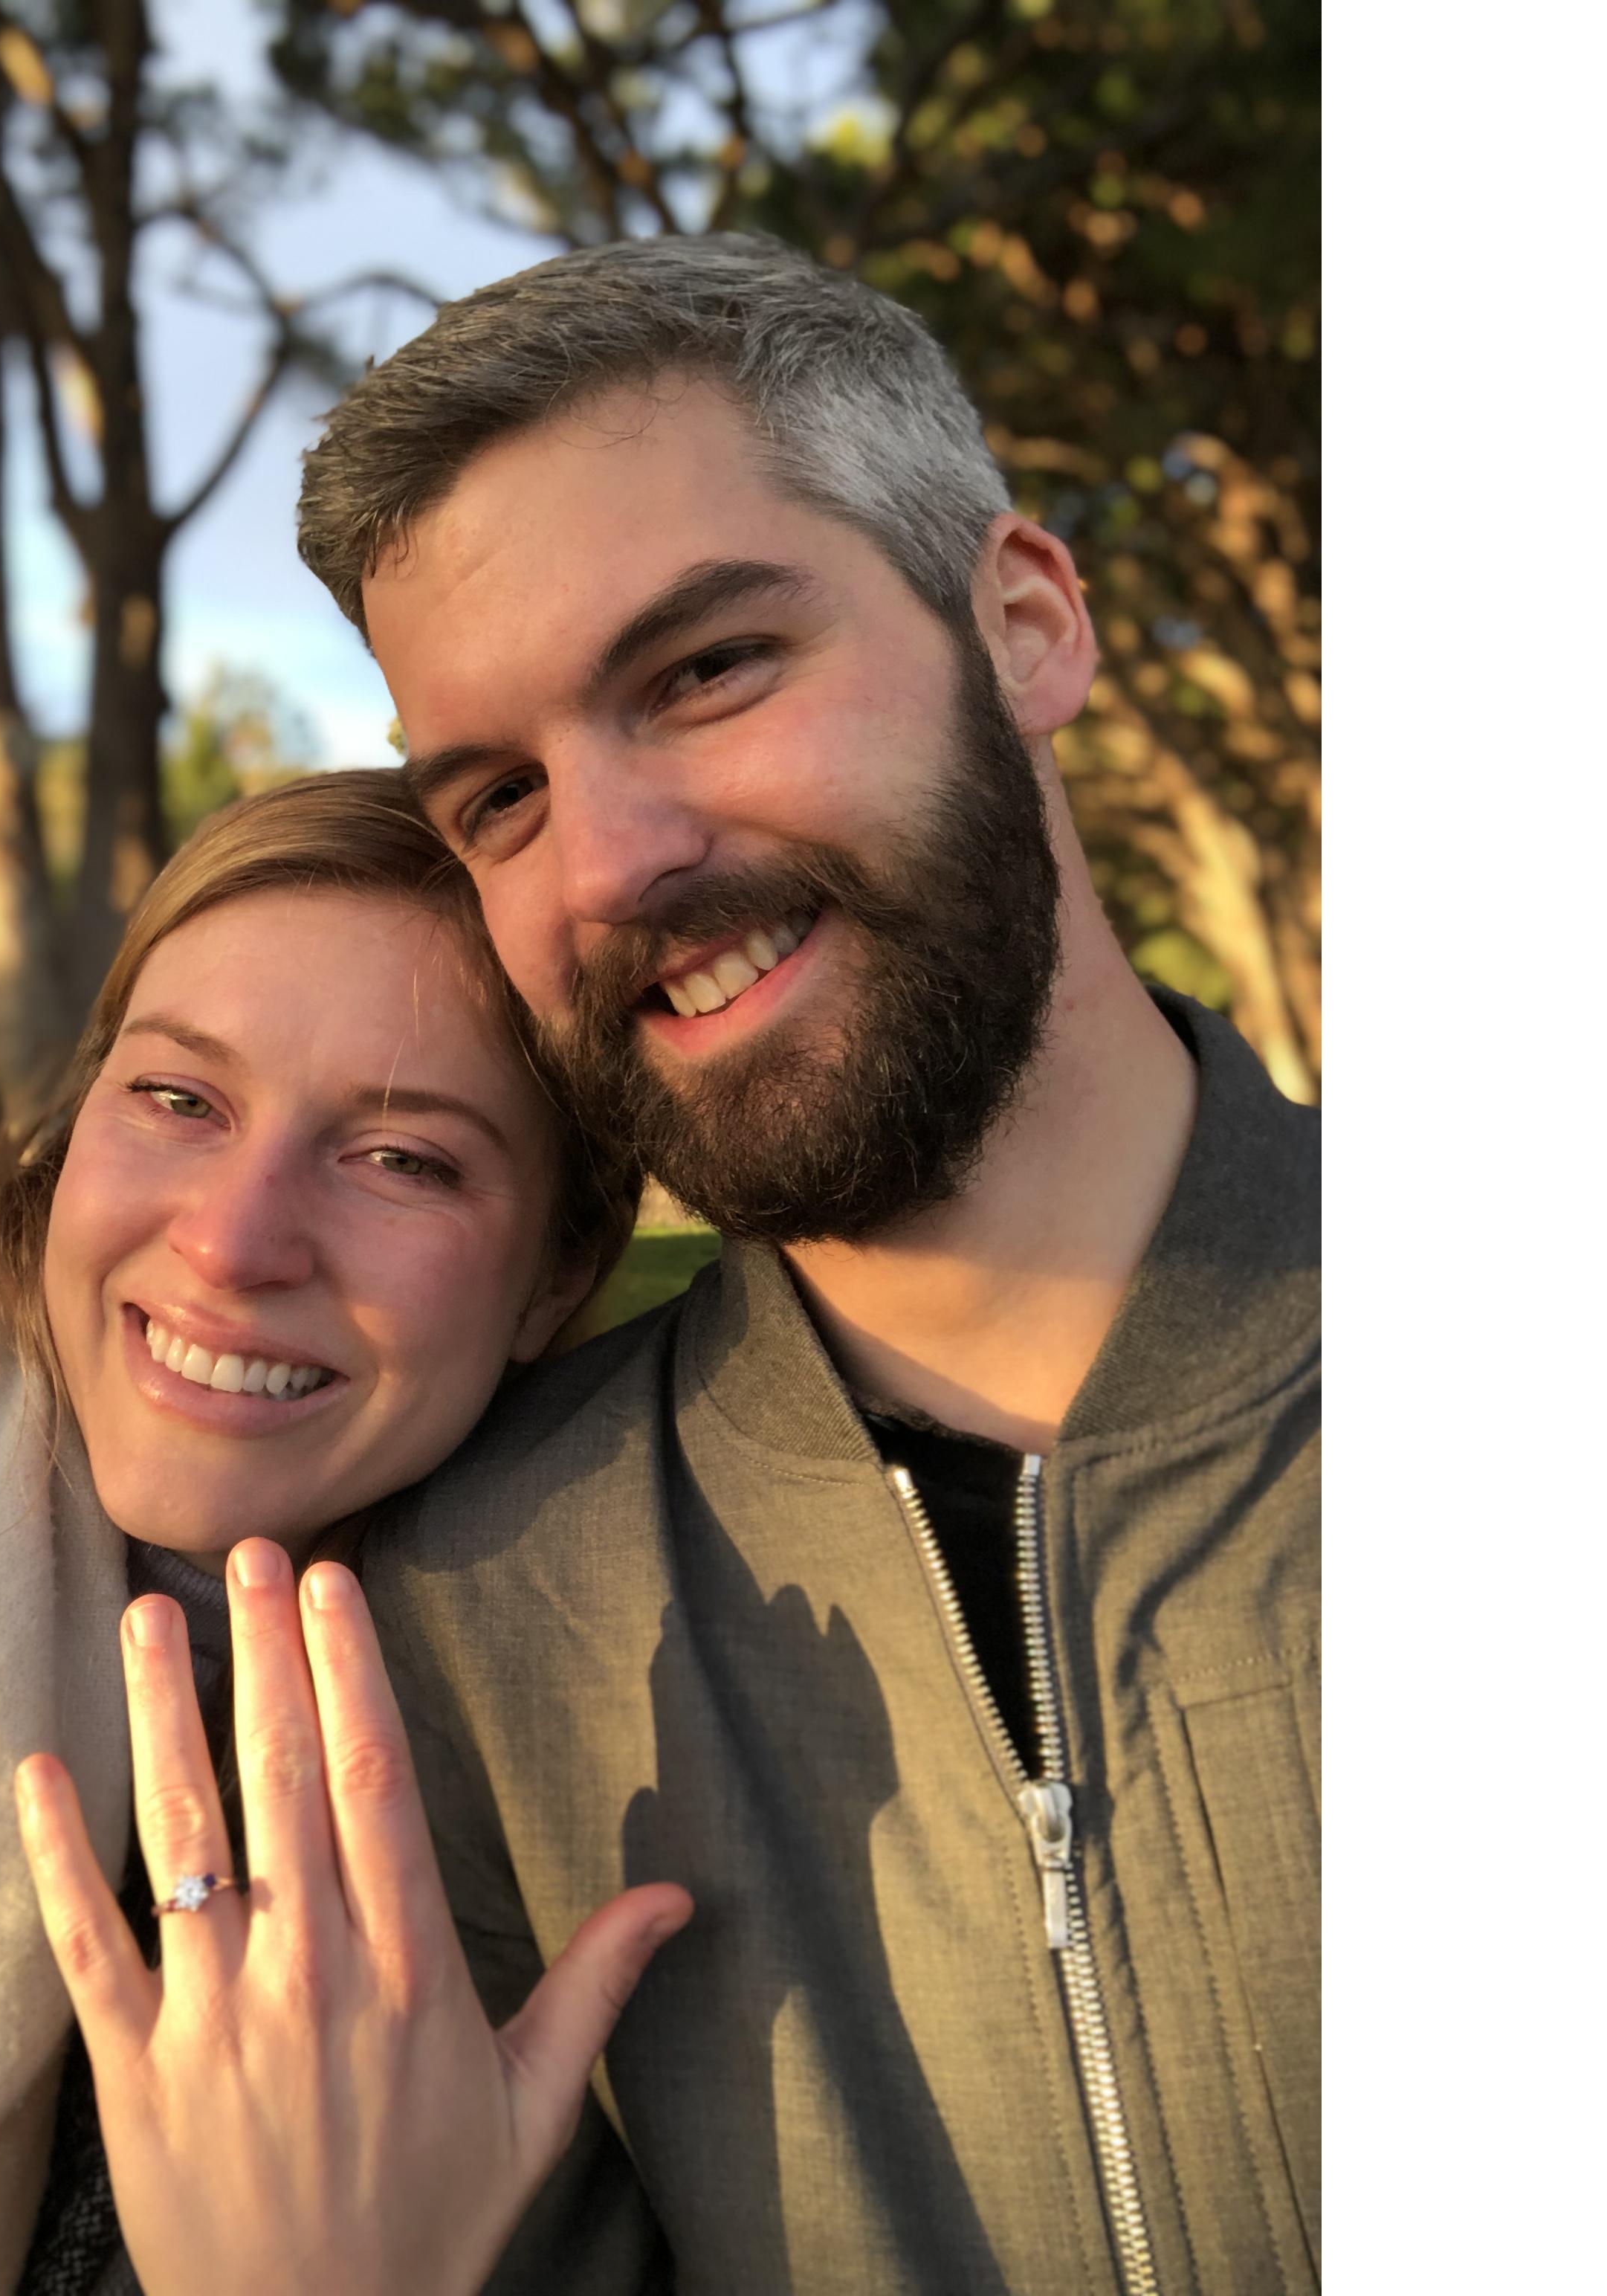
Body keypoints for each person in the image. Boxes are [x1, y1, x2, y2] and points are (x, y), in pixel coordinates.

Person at [274, 234, 1321, 2294]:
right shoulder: (467, 1625)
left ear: (1021, 624)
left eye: (705, 670)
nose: (610, 859)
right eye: (500, 795)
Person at [0, 770, 689, 2296]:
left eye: (403, 1159)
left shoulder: (623, 1760)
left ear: (556, 1275)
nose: (233, 1241)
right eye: (176, 1096)